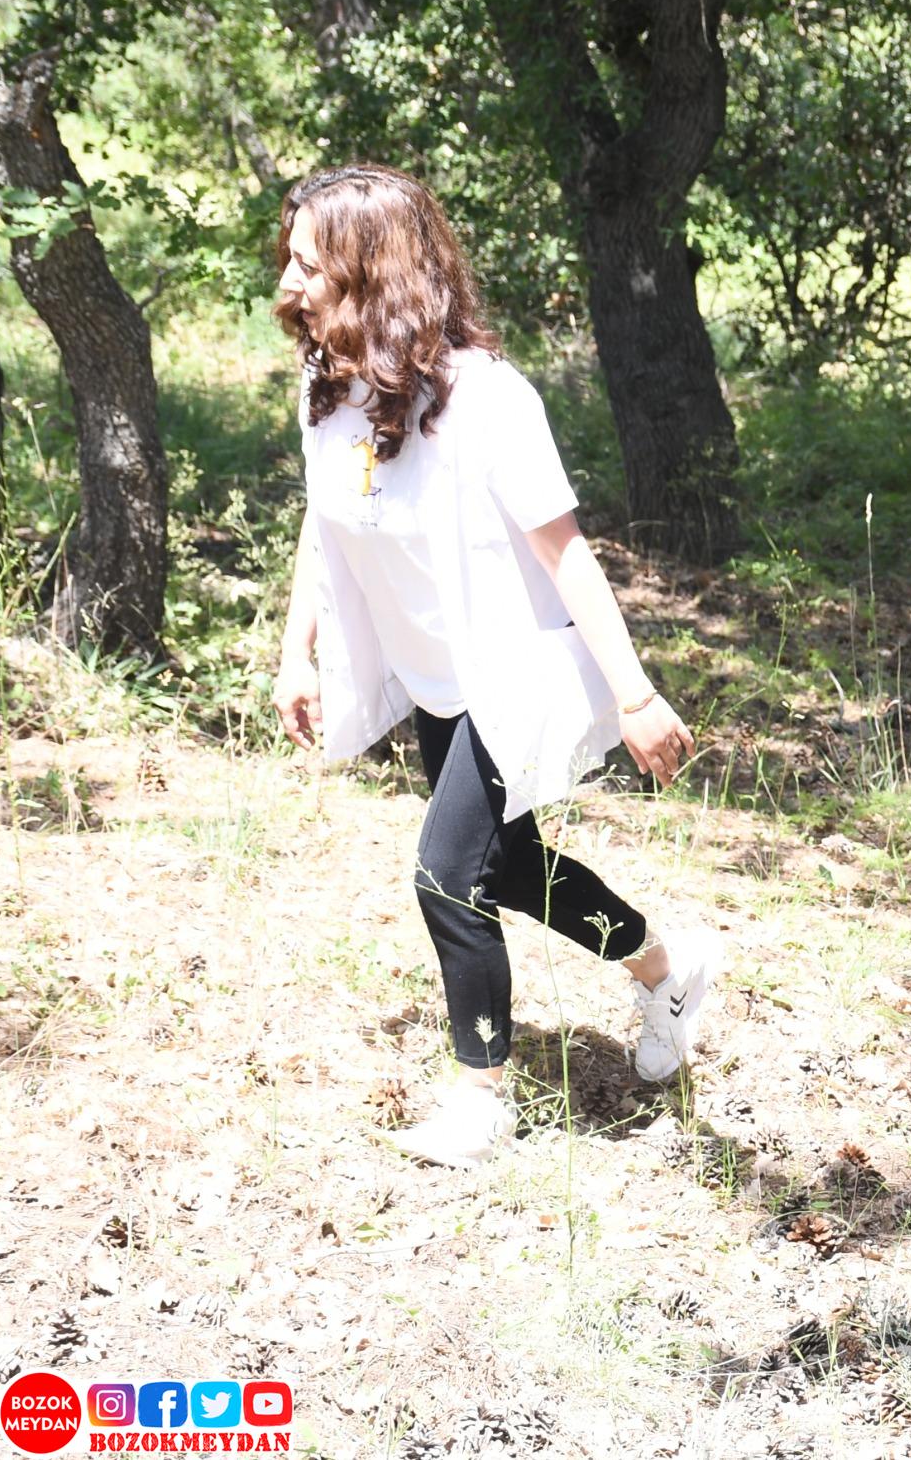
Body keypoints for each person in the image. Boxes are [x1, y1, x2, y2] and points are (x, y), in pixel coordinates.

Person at [269, 164, 722, 1169]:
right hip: (434, 675)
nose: (290, 283)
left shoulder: (486, 401)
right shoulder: (334, 384)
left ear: (368, 271)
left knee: (444, 876)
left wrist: (635, 693)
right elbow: (325, 512)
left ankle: (480, 1095)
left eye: (310, 264)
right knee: (508, 867)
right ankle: (668, 963)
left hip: (504, 671)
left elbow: (568, 553)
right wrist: (298, 647)